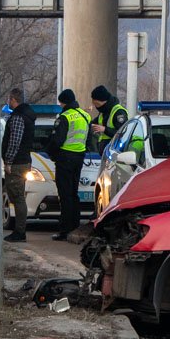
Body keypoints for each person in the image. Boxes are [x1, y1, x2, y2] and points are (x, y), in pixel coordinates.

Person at [49, 88, 89, 241]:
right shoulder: (85, 116)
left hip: (65, 158)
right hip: (79, 157)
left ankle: (65, 230)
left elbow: (57, 140)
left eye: (60, 103)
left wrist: (51, 154)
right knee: (73, 194)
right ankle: (75, 227)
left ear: (64, 102)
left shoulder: (65, 117)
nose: (60, 106)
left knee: (65, 195)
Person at [1, 87, 36, 243]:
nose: (8, 102)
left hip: (17, 163)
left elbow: (14, 142)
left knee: (17, 197)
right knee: (18, 196)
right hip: (24, 161)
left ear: (13, 100)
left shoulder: (17, 117)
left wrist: (8, 161)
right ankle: (19, 230)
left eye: (10, 99)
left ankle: (19, 232)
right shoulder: (28, 116)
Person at [89, 85, 128, 155]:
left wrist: (104, 129)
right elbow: (95, 122)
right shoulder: (103, 112)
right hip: (105, 151)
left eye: (97, 104)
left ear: (104, 101)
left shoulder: (119, 112)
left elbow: (122, 133)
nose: (96, 106)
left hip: (115, 152)